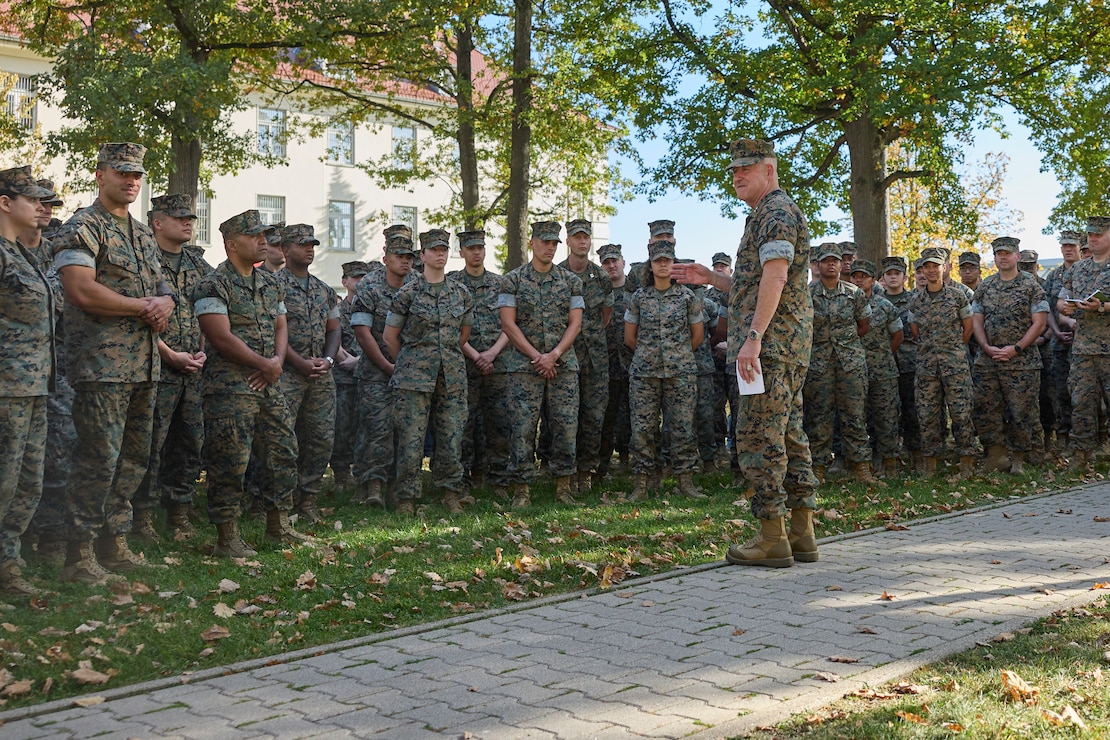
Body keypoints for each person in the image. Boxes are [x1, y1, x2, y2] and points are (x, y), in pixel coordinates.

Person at [673, 138, 818, 568]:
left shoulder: (775, 213)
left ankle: (772, 538)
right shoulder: (768, 213)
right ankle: (801, 533)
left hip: (769, 348)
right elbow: (757, 283)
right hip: (782, 347)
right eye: (734, 170)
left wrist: (753, 339)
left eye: (746, 169)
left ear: (769, 170)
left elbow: (775, 279)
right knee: (789, 435)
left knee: (759, 437)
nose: (737, 176)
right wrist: (710, 278)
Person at [52, 143, 176, 584]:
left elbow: (162, 283)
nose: (131, 181)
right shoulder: (82, 227)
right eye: (122, 172)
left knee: (133, 459)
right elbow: (81, 290)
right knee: (98, 459)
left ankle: (114, 543)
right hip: (102, 366)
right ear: (100, 175)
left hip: (144, 365)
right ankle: (79, 554)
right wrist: (144, 306)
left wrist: (165, 300)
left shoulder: (142, 233)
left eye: (137, 174)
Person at [193, 210, 311, 556]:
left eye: (265, 236)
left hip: (268, 383)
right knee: (229, 459)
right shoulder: (213, 284)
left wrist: (276, 363)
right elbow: (220, 337)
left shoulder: (270, 283)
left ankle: (279, 527)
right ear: (232, 244)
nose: (264, 242)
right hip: (230, 387)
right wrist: (265, 364)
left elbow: (281, 325)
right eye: (255, 236)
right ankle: (227, 537)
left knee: (282, 451)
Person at [129, 194, 212, 542]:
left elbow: (208, 311)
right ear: (158, 222)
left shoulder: (199, 265)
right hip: (155, 368)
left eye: (190, 218)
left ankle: (179, 510)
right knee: (150, 444)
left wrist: (201, 351)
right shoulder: (142, 260)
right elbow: (138, 315)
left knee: (189, 442)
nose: (188, 223)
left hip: (192, 369)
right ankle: (142, 517)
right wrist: (169, 354)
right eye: (179, 218)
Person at [383, 229, 473, 513]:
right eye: (434, 250)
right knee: (411, 438)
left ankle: (450, 492)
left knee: (451, 436)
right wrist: (410, 363)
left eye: (443, 249)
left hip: (451, 376)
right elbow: (389, 336)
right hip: (413, 379)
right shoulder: (408, 293)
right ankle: (406, 498)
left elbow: (463, 334)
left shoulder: (461, 293)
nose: (440, 254)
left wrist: (445, 355)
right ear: (422, 256)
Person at [498, 221, 584, 508]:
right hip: (524, 367)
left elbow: (575, 323)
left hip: (562, 366)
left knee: (565, 426)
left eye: (554, 243)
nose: (550, 248)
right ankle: (521, 489)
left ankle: (563, 487)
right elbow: (508, 324)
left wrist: (554, 355)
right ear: (531, 243)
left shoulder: (570, 281)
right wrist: (538, 356)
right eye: (544, 242)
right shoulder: (512, 280)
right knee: (522, 428)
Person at [0, 167, 56, 597]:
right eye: (32, 198)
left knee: (27, 479)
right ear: (5, 203)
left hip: (34, 385)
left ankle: (8, 561)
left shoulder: (23, 254)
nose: (42, 206)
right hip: (6, 387)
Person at [625, 241, 706, 501]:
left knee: (683, 428)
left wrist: (676, 355)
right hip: (645, 375)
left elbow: (697, 336)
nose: (662, 265)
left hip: (680, 373)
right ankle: (642, 482)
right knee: (643, 429)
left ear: (674, 264)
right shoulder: (639, 297)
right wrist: (650, 355)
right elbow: (629, 337)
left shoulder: (687, 297)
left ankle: (685, 481)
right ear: (650, 266)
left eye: (667, 260)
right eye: (657, 260)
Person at [19, 180, 72, 565]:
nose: (47, 208)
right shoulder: (10, 254)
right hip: (15, 374)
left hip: (57, 373)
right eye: (39, 202)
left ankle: (50, 537)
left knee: (58, 456)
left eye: (51, 203)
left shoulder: (58, 253)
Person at [275, 224, 340, 522]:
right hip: (286, 374)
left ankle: (308, 500)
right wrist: (298, 362)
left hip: (320, 376)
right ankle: (279, 501)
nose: (309, 249)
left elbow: (334, 330)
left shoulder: (324, 290)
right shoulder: (272, 285)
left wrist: (328, 359)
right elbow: (272, 331)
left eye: (312, 244)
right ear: (285, 249)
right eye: (302, 244)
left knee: (320, 438)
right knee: (282, 438)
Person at [970, 237, 1048, 474]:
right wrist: (985, 346)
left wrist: (1017, 348)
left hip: (1022, 361)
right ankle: (996, 455)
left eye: (1007, 253)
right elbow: (976, 320)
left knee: (1021, 411)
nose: (1003, 257)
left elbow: (1039, 323)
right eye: (998, 254)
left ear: (1017, 256)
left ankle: (1019, 457)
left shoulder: (1031, 286)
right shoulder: (986, 286)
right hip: (989, 360)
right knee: (987, 409)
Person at [351, 225, 415, 508]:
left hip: (411, 372)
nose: (405, 261)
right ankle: (372, 485)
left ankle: (397, 486)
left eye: (409, 257)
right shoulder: (370, 285)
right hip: (376, 371)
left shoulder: (418, 284)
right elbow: (362, 332)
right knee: (377, 428)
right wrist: (388, 366)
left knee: (406, 430)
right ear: (386, 257)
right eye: (399, 256)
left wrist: (405, 367)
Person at [804, 244, 878, 484]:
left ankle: (862, 468)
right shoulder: (807, 294)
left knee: (855, 416)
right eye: (826, 261)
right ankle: (818, 469)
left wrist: (846, 343)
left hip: (851, 364)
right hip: (818, 364)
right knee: (818, 418)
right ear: (818, 264)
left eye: (835, 261)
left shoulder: (853, 293)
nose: (831, 265)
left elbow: (864, 325)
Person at [448, 230, 510, 495]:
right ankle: (463, 479)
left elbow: (511, 324)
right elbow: (451, 328)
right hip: (464, 365)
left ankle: (498, 478)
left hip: (498, 363)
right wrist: (476, 356)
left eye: (480, 248)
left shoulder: (501, 284)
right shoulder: (452, 284)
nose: (476, 252)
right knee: (463, 424)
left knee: (499, 423)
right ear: (461, 252)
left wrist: (492, 354)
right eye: (471, 248)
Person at [909, 247, 977, 477]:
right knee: (927, 415)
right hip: (927, 367)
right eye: (926, 267)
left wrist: (953, 349)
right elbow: (915, 330)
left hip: (955, 366)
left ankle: (966, 460)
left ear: (945, 268)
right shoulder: (916, 300)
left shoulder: (957, 296)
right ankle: (931, 464)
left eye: (935, 266)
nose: (931, 270)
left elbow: (968, 329)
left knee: (961, 413)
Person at [559, 220, 612, 493]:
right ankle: (565, 472)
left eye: (586, 237)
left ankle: (586, 471)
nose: (582, 242)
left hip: (595, 358)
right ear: (568, 241)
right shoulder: (558, 275)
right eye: (577, 237)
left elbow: (606, 316)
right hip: (566, 356)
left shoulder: (601, 277)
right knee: (566, 417)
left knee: (593, 416)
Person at [1059, 216, 1110, 469]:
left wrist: (1102, 307)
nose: (1093, 239)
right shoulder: (1077, 269)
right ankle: (1081, 455)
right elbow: (1061, 299)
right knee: (1081, 402)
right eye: (1090, 235)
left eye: (1098, 234)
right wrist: (1065, 308)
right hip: (1083, 350)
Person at [849, 259, 904, 476]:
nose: (859, 280)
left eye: (864, 276)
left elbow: (898, 335)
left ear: (873, 280)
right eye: (855, 276)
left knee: (886, 417)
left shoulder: (885, 305)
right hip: (852, 371)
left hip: (883, 371)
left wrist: (883, 355)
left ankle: (890, 462)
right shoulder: (845, 304)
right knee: (856, 418)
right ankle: (861, 463)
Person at [330, 260, 370, 490]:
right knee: (342, 426)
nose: (360, 282)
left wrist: (360, 361)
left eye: (364, 277)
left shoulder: (372, 307)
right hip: (343, 377)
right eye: (356, 278)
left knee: (367, 426)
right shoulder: (338, 311)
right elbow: (332, 337)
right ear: (345, 282)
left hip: (368, 375)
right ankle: (341, 474)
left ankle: (364, 473)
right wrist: (346, 359)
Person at [597, 244, 634, 481]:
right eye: (606, 262)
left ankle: (632, 461)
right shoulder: (600, 293)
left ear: (623, 262)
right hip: (607, 365)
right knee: (606, 417)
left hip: (633, 363)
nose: (611, 266)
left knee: (636, 415)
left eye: (614, 261)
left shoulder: (635, 291)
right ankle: (603, 465)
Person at [882, 255, 922, 468]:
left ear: (905, 277)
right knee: (886, 411)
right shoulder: (876, 301)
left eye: (897, 273)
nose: (893, 277)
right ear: (883, 278)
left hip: (909, 362)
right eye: (889, 274)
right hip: (883, 364)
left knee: (911, 408)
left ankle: (916, 452)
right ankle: (889, 454)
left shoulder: (915, 300)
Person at [1044, 231, 1083, 450]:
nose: (1068, 249)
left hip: (1086, 343)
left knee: (1083, 392)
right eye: (1065, 246)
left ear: (1079, 248)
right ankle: (1064, 433)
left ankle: (1088, 437)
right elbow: (1047, 308)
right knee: (1060, 390)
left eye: (1072, 246)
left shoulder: (1087, 272)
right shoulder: (1053, 276)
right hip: (1059, 343)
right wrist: (1056, 332)